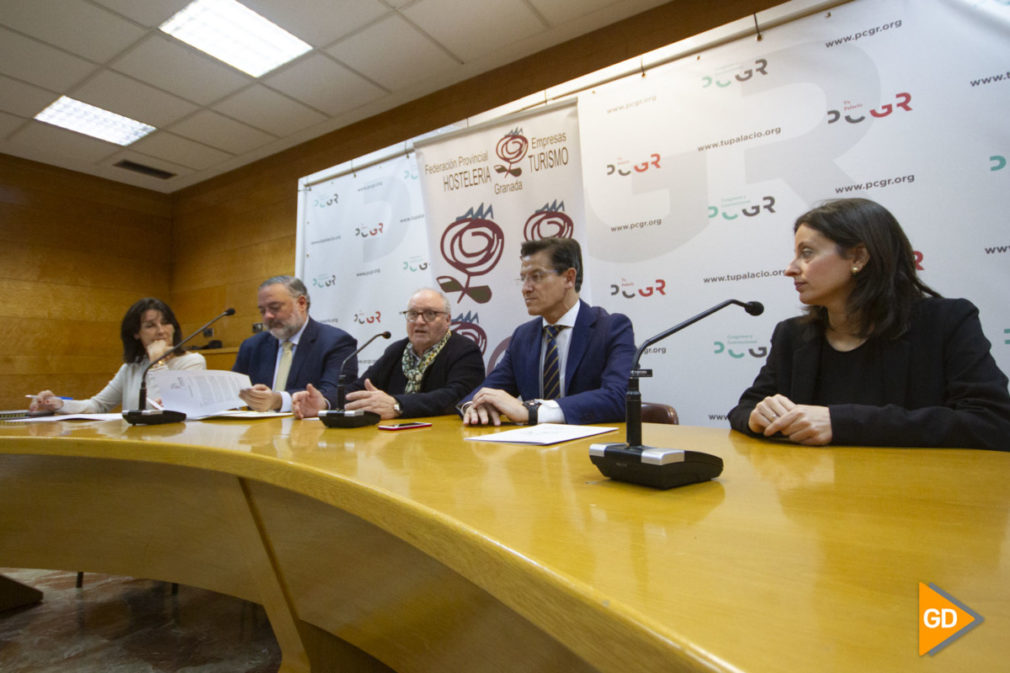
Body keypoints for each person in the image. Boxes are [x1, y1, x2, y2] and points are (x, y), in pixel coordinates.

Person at [728, 197, 1010, 450]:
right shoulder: (792, 334)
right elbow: (743, 408)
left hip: (918, 496)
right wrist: (756, 417)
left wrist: (841, 422)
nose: (790, 269)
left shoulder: (946, 321)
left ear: (859, 257)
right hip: (813, 498)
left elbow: (991, 423)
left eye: (807, 253)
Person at [461, 237, 635, 426]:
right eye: (523, 279)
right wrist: (473, 405)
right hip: (533, 449)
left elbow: (619, 398)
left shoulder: (611, 328)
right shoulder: (523, 336)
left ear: (569, 278)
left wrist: (533, 412)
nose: (525, 289)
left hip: (589, 448)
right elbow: (487, 390)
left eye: (536, 276)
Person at [291, 288, 485, 419]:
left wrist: (397, 405)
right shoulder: (397, 350)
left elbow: (457, 396)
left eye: (430, 314)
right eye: (412, 314)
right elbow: (360, 388)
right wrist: (325, 404)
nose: (419, 321)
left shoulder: (464, 349)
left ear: (448, 320)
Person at [29, 297, 206, 414]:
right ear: (136, 333)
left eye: (166, 323)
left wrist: (158, 364)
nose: (161, 331)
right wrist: (59, 404)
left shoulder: (192, 362)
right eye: (150, 325)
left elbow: (175, 409)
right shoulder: (132, 367)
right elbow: (98, 405)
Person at [233, 275, 357, 412]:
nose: (267, 316)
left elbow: (334, 394)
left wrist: (278, 400)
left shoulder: (336, 342)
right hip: (257, 430)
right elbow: (235, 392)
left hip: (307, 430)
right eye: (262, 311)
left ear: (301, 303)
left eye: (275, 307)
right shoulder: (252, 346)